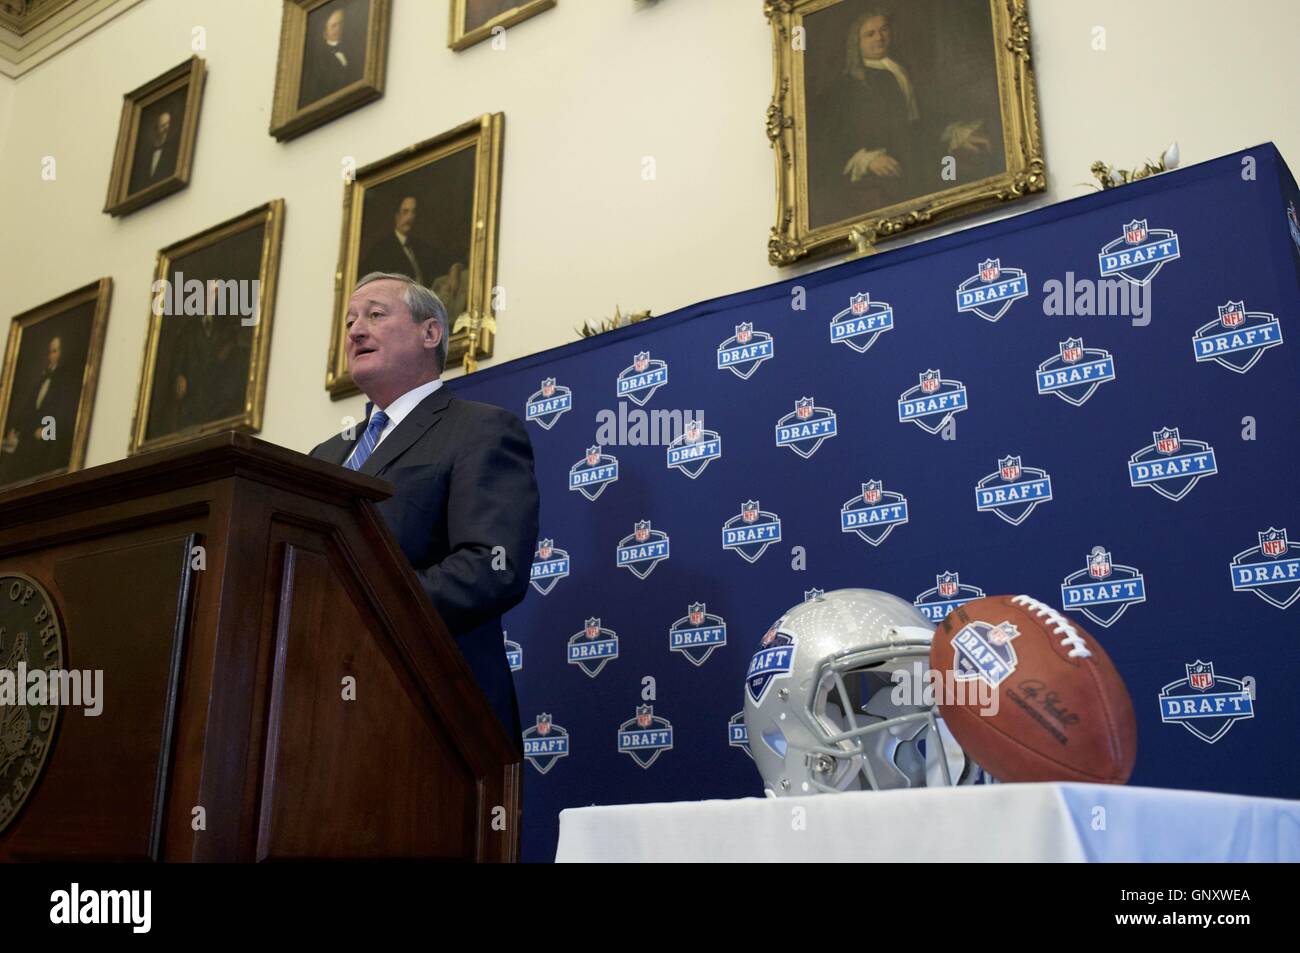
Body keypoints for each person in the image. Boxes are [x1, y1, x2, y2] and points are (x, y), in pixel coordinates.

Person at [310, 272, 538, 745]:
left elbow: (490, 568)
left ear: (430, 333)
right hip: (318, 709)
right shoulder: (324, 456)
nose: (354, 330)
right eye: (350, 320)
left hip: (430, 709)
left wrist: (362, 610)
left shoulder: (480, 430)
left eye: (375, 314)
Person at [810, 6, 998, 227]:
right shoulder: (845, 88)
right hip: (890, 169)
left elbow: (919, 120)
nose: (880, 38)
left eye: (884, 30)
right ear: (856, 42)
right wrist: (866, 159)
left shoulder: (901, 69)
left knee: (969, 182)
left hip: (919, 156)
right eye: (870, 34)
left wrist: (955, 132)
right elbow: (831, 143)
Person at [1, 335, 79, 484]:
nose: (50, 356)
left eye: (54, 351)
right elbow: (28, 408)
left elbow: (61, 417)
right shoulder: (43, 379)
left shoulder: (65, 382)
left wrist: (46, 431)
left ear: (62, 354)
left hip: (47, 443)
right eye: (50, 351)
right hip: (28, 437)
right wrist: (14, 429)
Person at [359, 196, 436, 287]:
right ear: (397, 216)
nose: (410, 217)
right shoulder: (381, 248)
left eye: (413, 212)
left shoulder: (418, 246)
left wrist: (455, 267)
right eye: (405, 212)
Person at [299, 4, 364, 107]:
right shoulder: (319, 60)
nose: (339, 28)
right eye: (334, 26)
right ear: (325, 33)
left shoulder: (355, 48)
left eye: (341, 24)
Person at [129, 109, 179, 194]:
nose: (166, 128)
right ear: (156, 128)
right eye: (163, 125)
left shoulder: (173, 152)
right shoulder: (144, 156)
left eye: (168, 124)